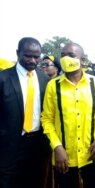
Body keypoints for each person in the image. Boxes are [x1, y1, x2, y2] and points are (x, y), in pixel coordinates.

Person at [41, 42, 95, 188]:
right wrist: (57, 147)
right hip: (64, 158)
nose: (66, 59)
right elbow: (47, 119)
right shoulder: (53, 86)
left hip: (92, 156)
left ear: (83, 60)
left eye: (71, 55)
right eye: (62, 56)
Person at [0, 37, 51, 188]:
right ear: (18, 53)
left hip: (37, 144)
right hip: (8, 145)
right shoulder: (3, 79)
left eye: (37, 57)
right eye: (28, 55)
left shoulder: (45, 80)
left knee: (33, 181)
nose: (33, 61)